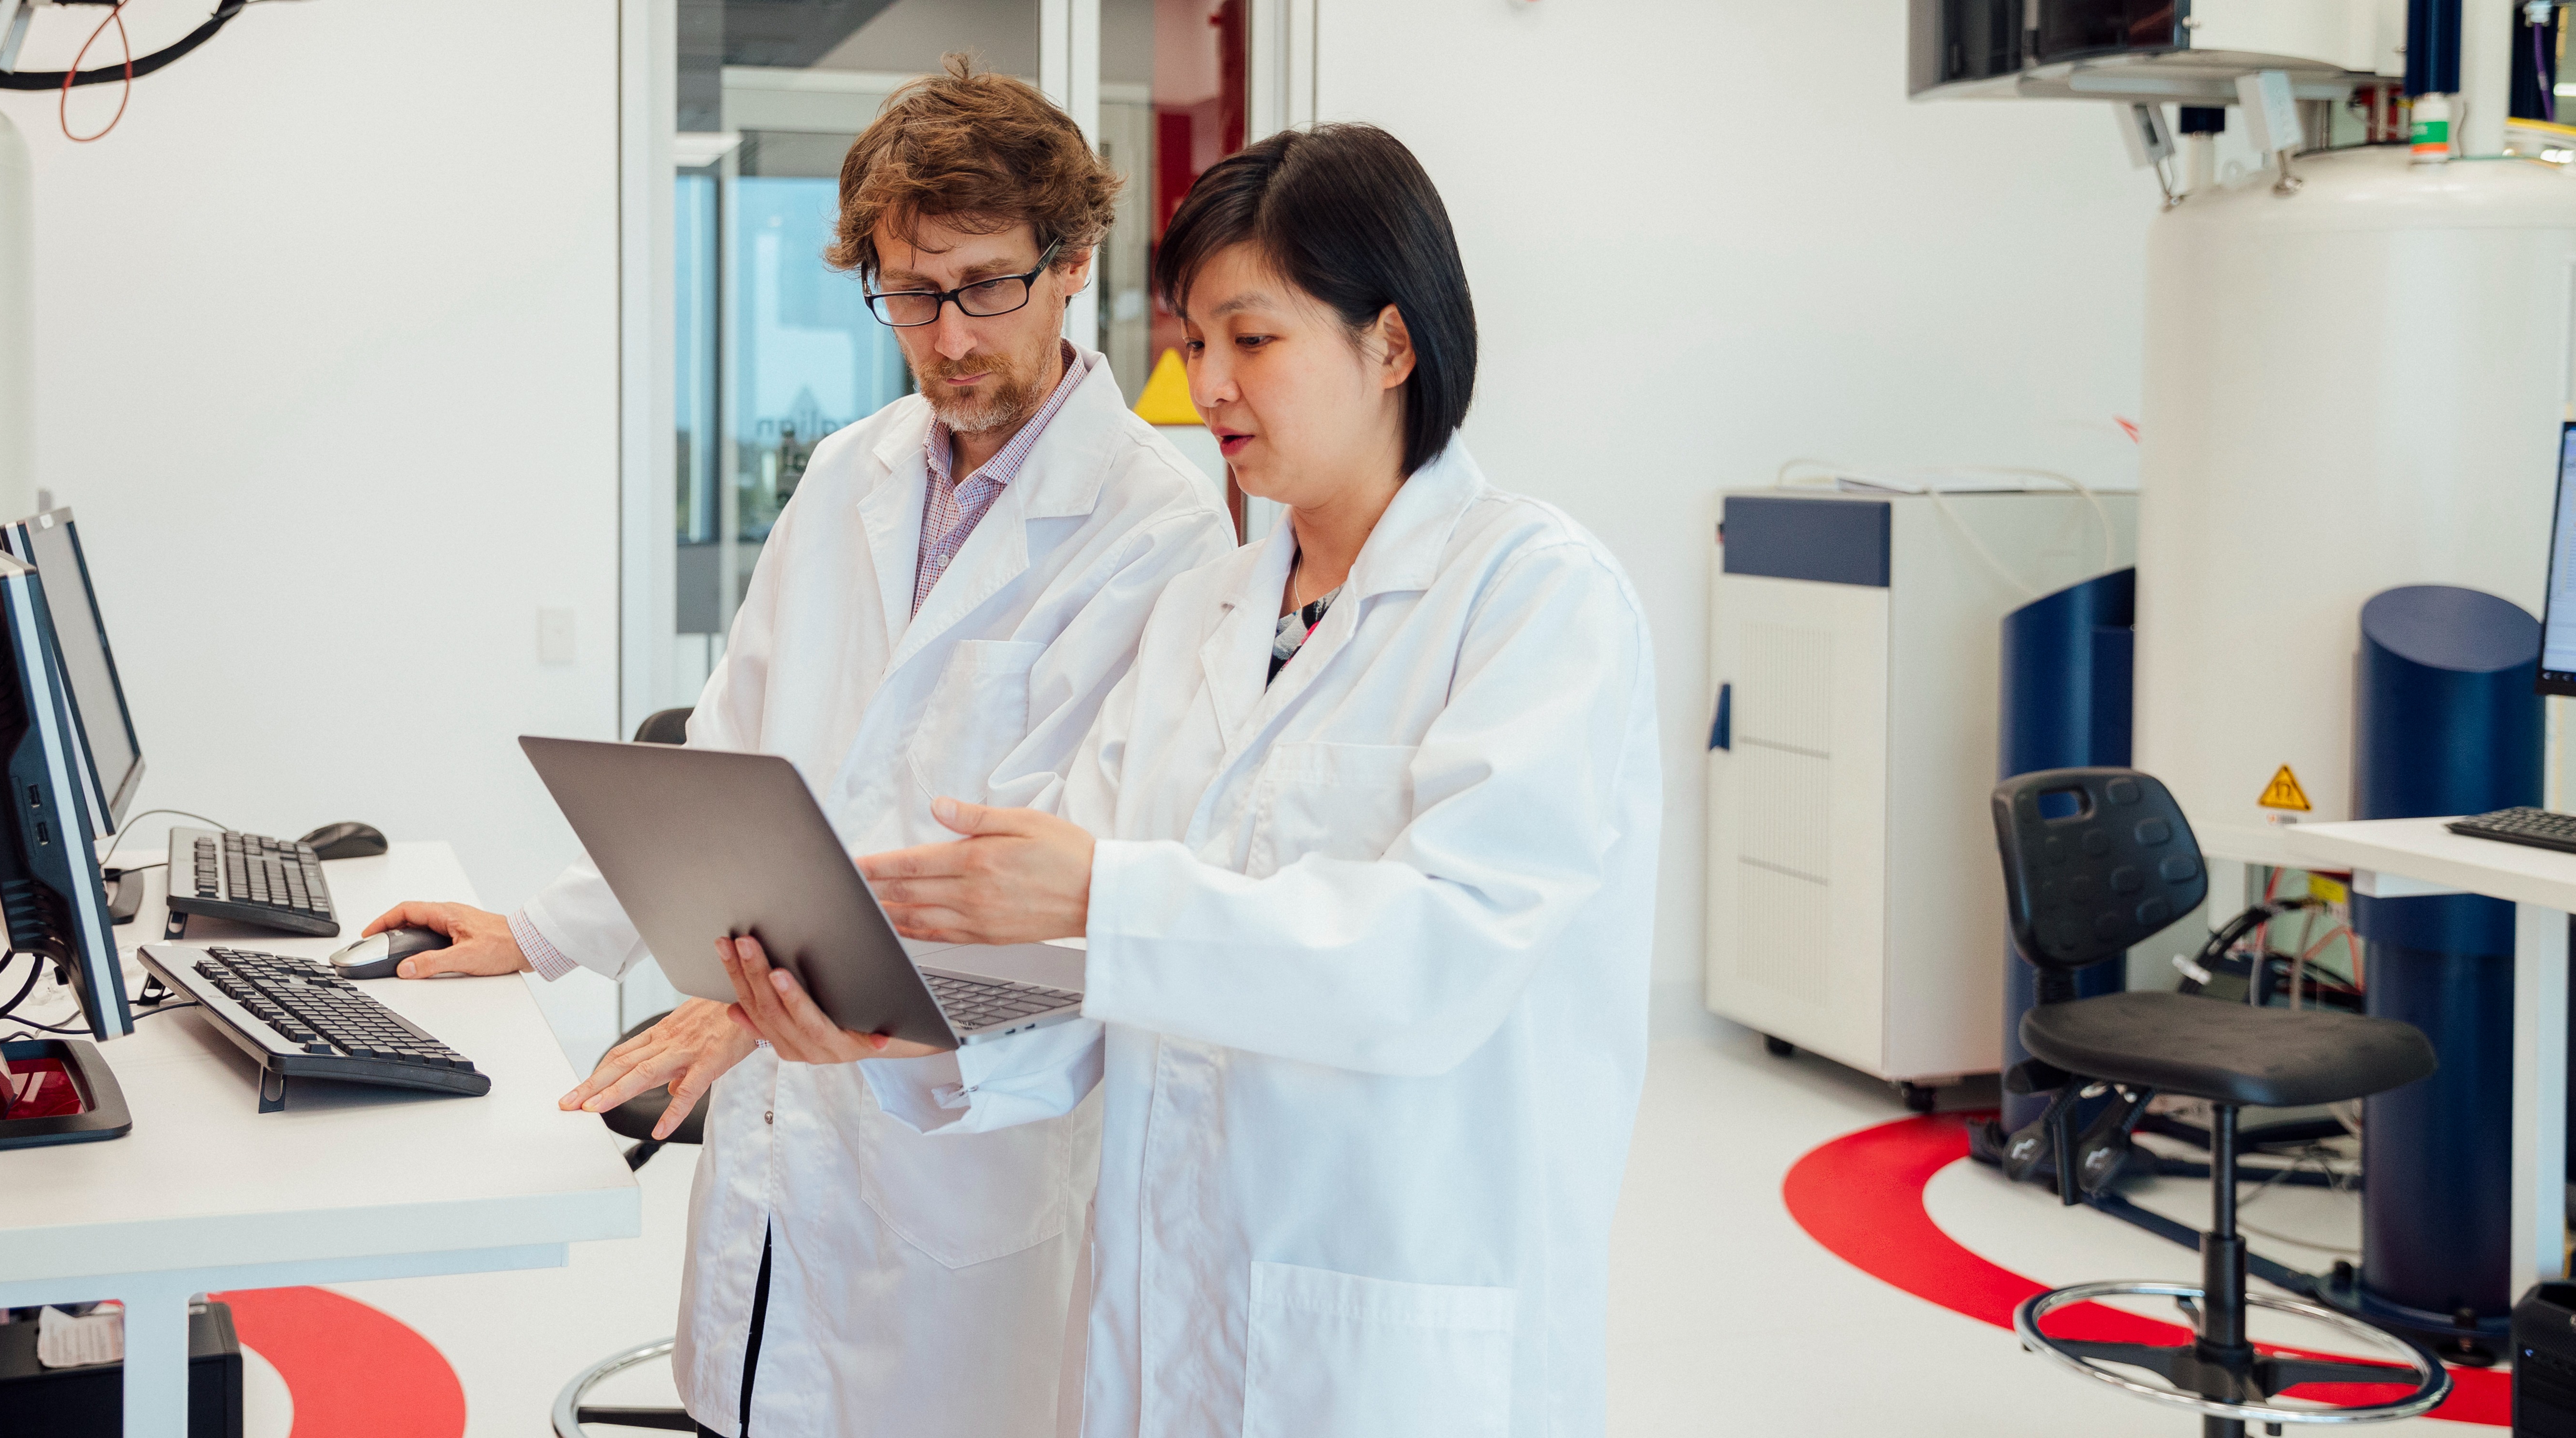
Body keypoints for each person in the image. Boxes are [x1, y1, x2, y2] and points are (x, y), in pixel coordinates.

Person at [714, 123, 1662, 1438]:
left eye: (1250, 339)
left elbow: (1437, 965)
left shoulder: (1534, 601)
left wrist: (1104, 893)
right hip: (1165, 1298)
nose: (1206, 384)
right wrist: (891, 1032)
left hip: (1383, 1306)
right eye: (1189, 340)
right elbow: (1082, 974)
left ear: (1389, 343)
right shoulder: (1210, 612)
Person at [360, 60, 1231, 1438]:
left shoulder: (1163, 534)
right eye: (907, 292)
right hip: (789, 1091)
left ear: (1072, 264)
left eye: (985, 286)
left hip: (962, 1132)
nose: (946, 337)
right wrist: (537, 934)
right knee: (751, 1392)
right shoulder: (852, 472)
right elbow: (726, 767)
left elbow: (1073, 887)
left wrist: (821, 1001)